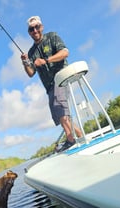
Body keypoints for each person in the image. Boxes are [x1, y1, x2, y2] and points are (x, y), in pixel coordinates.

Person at [21, 16, 82, 152]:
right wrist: (25, 62)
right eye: (31, 29)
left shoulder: (52, 36)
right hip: (49, 86)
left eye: (37, 27)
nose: (35, 30)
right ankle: (80, 135)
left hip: (61, 77)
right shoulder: (31, 52)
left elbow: (65, 52)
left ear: (41, 27)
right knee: (57, 114)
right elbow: (31, 73)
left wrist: (46, 60)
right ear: (29, 32)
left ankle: (70, 140)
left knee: (59, 107)